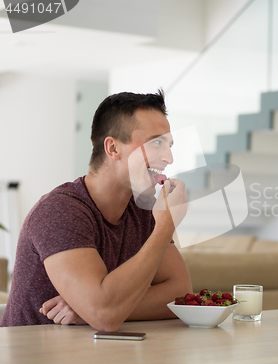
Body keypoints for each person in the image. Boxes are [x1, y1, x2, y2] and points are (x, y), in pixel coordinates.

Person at [1, 90, 192, 331]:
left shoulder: (143, 210)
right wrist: (165, 226)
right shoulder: (60, 211)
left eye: (169, 145)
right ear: (113, 148)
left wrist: (92, 310)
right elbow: (105, 316)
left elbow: (180, 294)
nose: (169, 158)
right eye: (156, 143)